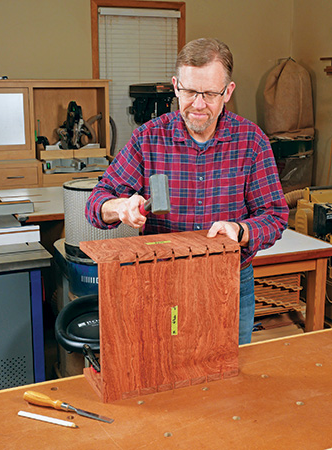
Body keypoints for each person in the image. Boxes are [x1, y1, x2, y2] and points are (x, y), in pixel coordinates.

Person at [85, 38, 289, 345]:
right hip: (163, 281)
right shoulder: (148, 139)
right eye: (190, 92)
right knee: (166, 374)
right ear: (176, 87)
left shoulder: (252, 141)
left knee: (230, 381)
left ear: (228, 92)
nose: (197, 104)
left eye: (209, 94)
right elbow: (95, 204)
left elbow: (274, 216)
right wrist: (120, 207)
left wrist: (240, 229)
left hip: (229, 282)